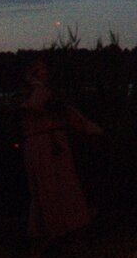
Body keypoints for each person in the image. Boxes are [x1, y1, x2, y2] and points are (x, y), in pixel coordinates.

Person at [21, 58, 103, 241]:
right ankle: (55, 228)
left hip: (48, 143)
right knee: (50, 186)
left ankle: (61, 227)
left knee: (57, 185)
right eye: (40, 69)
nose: (45, 72)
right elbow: (38, 108)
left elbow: (68, 114)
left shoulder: (40, 93)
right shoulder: (38, 93)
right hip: (45, 144)